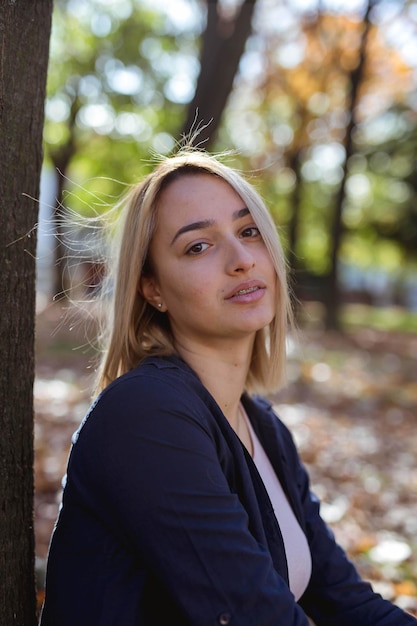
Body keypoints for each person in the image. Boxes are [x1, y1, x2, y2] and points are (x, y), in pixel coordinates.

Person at [39, 147, 416, 625]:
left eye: (248, 231)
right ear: (152, 289)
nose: (241, 260)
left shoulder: (265, 429)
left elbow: (345, 602)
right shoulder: (144, 416)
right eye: (198, 246)